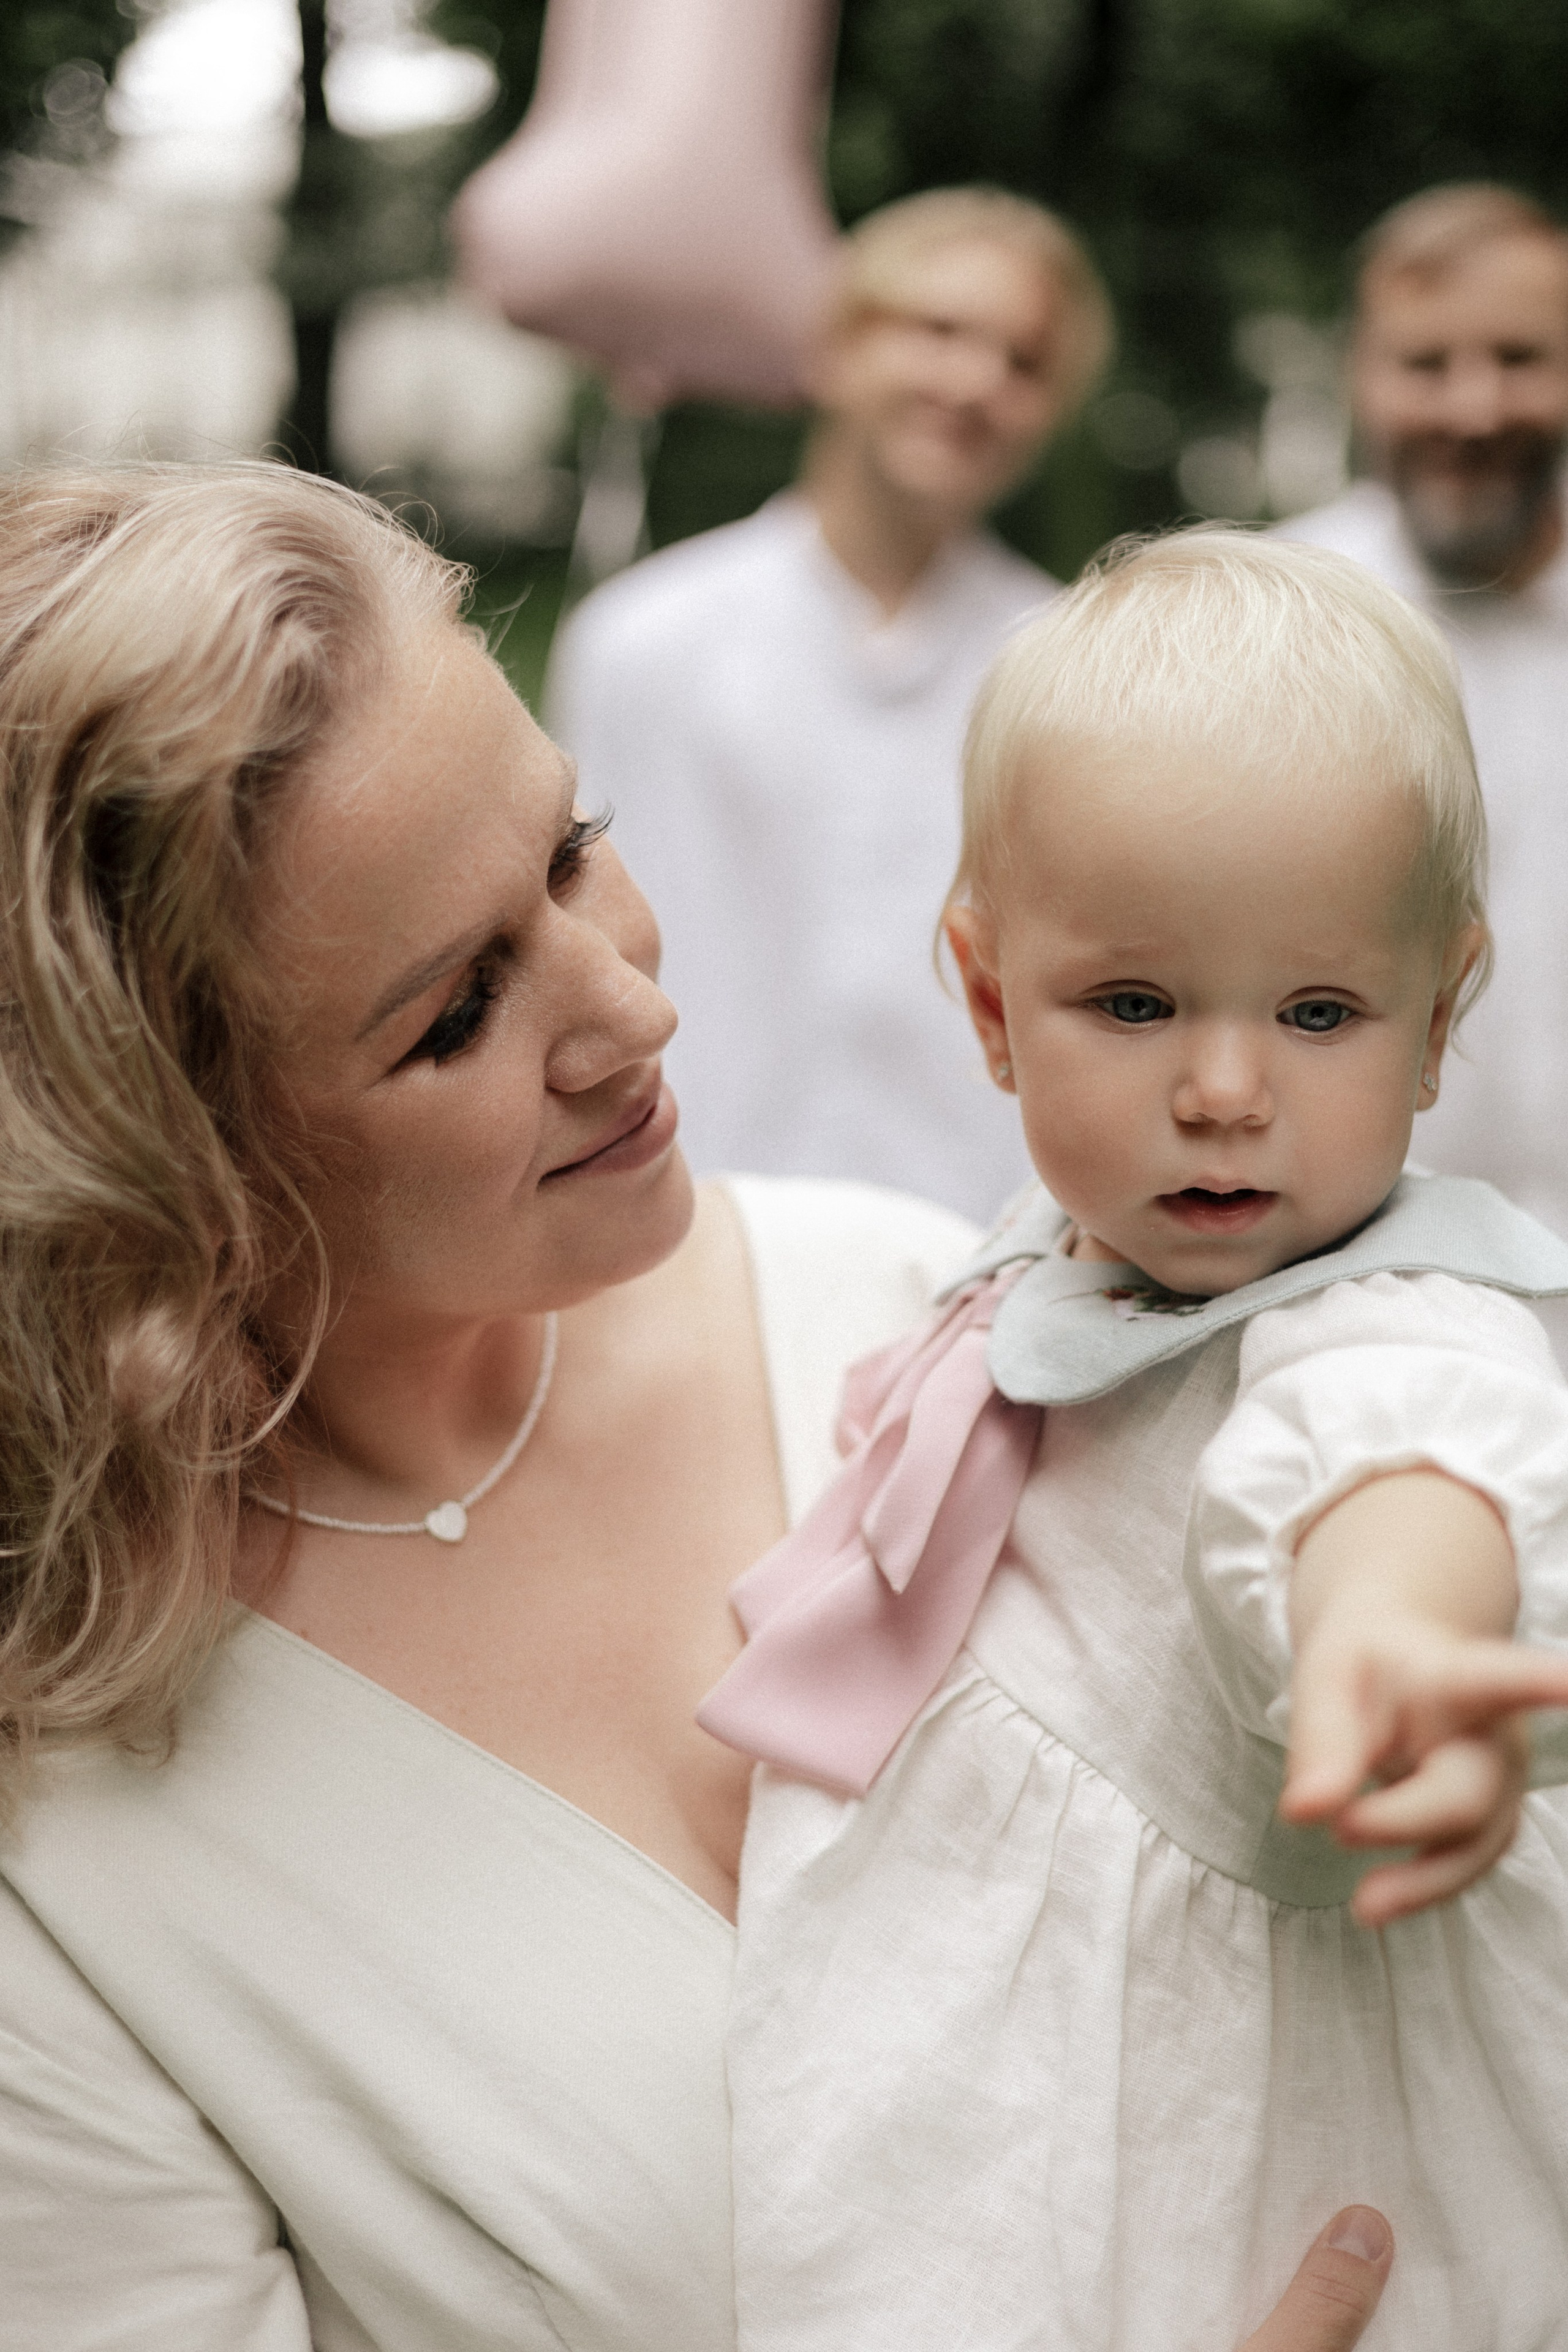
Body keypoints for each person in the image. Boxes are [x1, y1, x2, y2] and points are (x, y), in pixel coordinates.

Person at [0, 465, 1399, 2352]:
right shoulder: (68, 1872)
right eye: (455, 1015)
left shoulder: (935, 1307)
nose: (632, 1012)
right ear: (159, 1169)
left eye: (571, 848)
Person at [699, 533, 1568, 2350]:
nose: (1228, 1089)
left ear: (1440, 1021)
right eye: (1138, 1004)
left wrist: (1397, 1640)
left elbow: (1387, 1469)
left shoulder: (1385, 1308)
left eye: (1321, 1013)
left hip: (1247, 2143)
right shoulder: (1051, 1259)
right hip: (996, 2090)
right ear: (994, 1005)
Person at [546, 186, 1112, 1225]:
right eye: (938, 330)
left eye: (1025, 361)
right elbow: (580, 954)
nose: (976, 381)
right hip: (696, 1224)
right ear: (838, 351)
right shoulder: (646, 640)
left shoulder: (1074, 663)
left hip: (984, 1242)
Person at [1283, 184, 1568, 1283]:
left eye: (1520, 356)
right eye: (1426, 364)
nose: (1473, 407)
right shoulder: (1273, 621)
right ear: (1361, 377)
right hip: (1349, 1298)